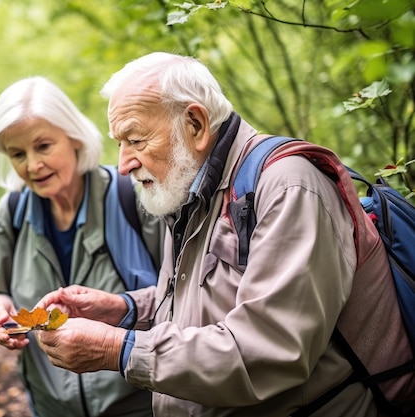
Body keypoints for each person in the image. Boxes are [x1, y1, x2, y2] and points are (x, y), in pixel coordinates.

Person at [34, 52, 415, 416]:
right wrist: (125, 310)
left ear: (195, 125)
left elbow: (266, 352)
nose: (123, 165)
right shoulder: (190, 189)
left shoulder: (287, 188)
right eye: (120, 144)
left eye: (135, 140)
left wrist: (115, 349)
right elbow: (204, 303)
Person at [0, 76, 164, 417]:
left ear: (74, 138)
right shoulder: (13, 210)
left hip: (139, 404)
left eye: (43, 146)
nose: (32, 165)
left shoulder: (132, 196)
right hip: (48, 405)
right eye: (17, 154)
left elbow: (182, 295)